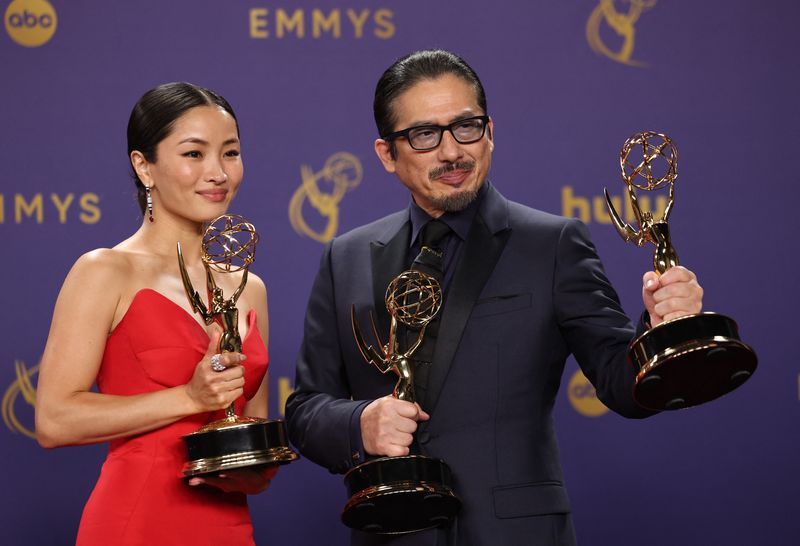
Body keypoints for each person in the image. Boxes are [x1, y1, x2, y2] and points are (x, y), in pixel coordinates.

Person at [285, 49, 703, 546]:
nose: (452, 152)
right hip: (394, 535)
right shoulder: (345, 256)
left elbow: (620, 383)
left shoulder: (553, 244)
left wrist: (660, 330)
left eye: (466, 126)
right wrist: (360, 424)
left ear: (490, 132)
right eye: (424, 134)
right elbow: (305, 410)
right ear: (386, 154)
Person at [35, 82, 277, 545]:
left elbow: (251, 433)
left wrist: (254, 472)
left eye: (230, 153)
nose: (217, 173)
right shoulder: (105, 270)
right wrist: (189, 397)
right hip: (137, 521)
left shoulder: (250, 288)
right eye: (193, 154)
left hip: (227, 525)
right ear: (144, 166)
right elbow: (54, 420)